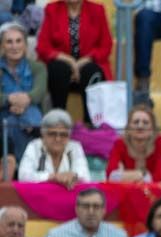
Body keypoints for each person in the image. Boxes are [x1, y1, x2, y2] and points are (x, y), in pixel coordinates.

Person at [36, 0, 112, 125]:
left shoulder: (97, 10)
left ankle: (90, 124)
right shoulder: (52, 9)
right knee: (59, 68)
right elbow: (43, 47)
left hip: (88, 66)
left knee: (90, 70)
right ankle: (58, 121)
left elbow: (106, 46)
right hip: (61, 73)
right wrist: (69, 60)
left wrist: (83, 61)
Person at [0, 21, 46, 163]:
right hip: (4, 113)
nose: (14, 46)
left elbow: (39, 92)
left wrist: (24, 100)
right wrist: (10, 99)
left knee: (26, 115)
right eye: (9, 42)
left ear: (25, 45)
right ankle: (28, 166)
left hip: (31, 112)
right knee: (11, 121)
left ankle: (20, 167)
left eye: (19, 41)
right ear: (2, 46)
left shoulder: (38, 67)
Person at [18, 109, 90, 185]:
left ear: (69, 136)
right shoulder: (34, 146)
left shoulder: (75, 147)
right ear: (43, 134)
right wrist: (53, 177)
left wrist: (73, 176)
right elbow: (23, 176)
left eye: (63, 135)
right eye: (52, 134)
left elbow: (85, 177)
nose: (58, 139)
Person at [107, 104, 161, 183]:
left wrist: (126, 175)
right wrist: (144, 175)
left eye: (145, 123)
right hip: (126, 192)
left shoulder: (160, 142)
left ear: (152, 128)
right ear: (128, 127)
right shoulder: (119, 144)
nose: (140, 126)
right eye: (136, 122)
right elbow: (111, 176)